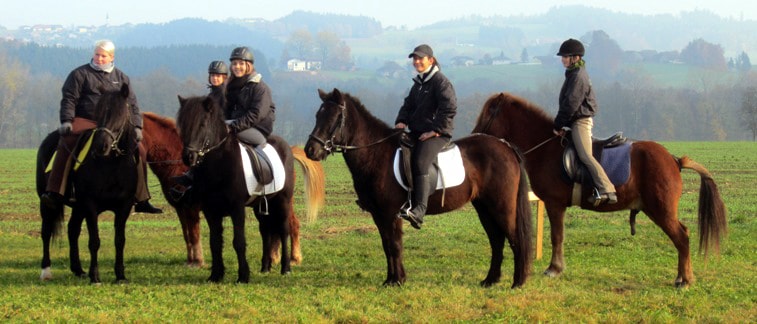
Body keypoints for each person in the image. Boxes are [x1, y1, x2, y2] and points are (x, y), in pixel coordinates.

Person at [40, 39, 163, 214]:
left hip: (113, 124)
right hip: (86, 119)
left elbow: (133, 104)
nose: (98, 58)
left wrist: (137, 126)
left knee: (140, 150)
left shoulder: (121, 78)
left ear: (111, 57)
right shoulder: (79, 74)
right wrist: (67, 121)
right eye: (96, 54)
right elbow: (69, 99)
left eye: (103, 56)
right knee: (67, 140)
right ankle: (55, 191)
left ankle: (141, 198)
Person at [395, 44, 457, 230]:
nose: (416, 61)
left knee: (420, 161)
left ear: (431, 60)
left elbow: (450, 108)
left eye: (420, 58)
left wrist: (436, 130)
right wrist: (401, 120)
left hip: (438, 134)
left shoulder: (440, 82)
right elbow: (408, 105)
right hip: (418, 132)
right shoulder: (419, 84)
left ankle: (419, 210)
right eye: (414, 59)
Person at [553, 38, 617, 206]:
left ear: (575, 58)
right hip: (574, 120)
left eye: (565, 56)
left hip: (580, 122)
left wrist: (558, 124)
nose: (562, 59)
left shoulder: (578, 76)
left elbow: (571, 103)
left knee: (585, 155)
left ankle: (606, 189)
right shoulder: (574, 74)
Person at [170, 60, 230, 199]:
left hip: (221, 134)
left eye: (218, 76)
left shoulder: (224, 95)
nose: (215, 78)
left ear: (224, 77)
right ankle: (191, 180)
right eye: (213, 75)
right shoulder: (210, 95)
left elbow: (224, 114)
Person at [225, 46, 275, 146]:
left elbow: (256, 114)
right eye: (234, 63)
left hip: (257, 128)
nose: (237, 66)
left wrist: (232, 127)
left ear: (248, 65)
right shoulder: (231, 86)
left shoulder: (260, 87)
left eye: (241, 63)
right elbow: (226, 110)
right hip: (236, 124)